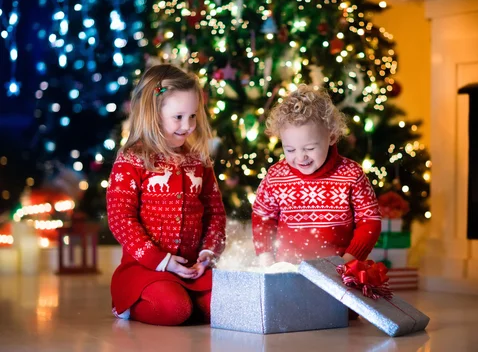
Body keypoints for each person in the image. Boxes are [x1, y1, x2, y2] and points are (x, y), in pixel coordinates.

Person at [106, 64, 226, 326]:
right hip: (147, 267)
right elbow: (120, 218)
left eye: (193, 116)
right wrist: (161, 260)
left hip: (193, 267)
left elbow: (215, 212)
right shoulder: (132, 160)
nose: (188, 126)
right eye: (178, 117)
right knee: (174, 309)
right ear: (153, 115)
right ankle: (131, 303)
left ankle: (187, 298)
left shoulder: (198, 161)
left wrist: (208, 253)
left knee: (225, 305)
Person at [252, 85, 382, 266]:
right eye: (290, 149)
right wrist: (266, 256)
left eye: (309, 148)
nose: (300, 157)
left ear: (332, 137)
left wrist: (349, 261)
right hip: (288, 272)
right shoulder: (276, 176)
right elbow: (262, 216)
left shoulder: (351, 174)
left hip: (339, 272)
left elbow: (369, 220)